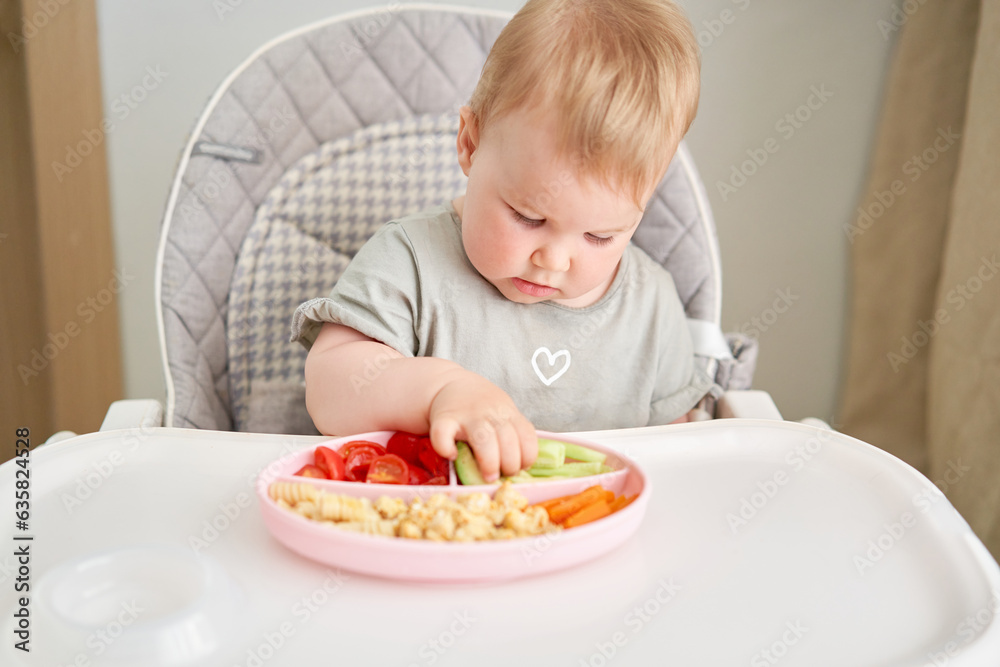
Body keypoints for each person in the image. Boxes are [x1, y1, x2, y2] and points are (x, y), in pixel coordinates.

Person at [290, 0, 712, 482]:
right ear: (470, 145)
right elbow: (330, 386)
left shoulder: (652, 305)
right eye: (528, 217)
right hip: (431, 521)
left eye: (600, 235)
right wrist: (439, 391)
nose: (553, 259)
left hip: (595, 523)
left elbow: (677, 458)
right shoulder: (410, 262)